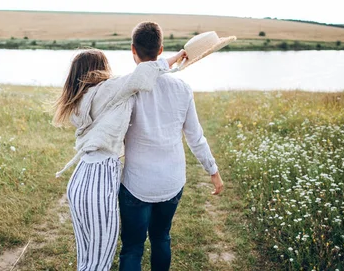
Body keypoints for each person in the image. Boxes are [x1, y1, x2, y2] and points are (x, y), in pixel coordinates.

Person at [53, 48, 186, 271]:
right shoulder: (107, 91)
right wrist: (174, 59)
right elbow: (141, 74)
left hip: (81, 179)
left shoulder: (80, 99)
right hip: (99, 181)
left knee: (87, 259)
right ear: (98, 70)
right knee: (100, 262)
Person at [118, 22, 224, 271]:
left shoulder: (126, 88)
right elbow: (195, 137)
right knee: (161, 237)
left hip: (136, 184)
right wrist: (213, 172)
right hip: (171, 181)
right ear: (161, 49)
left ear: (132, 49)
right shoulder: (183, 89)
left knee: (132, 247)